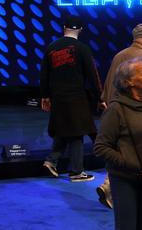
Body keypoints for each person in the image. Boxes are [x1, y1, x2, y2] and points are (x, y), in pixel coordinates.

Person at [96, 23, 142, 216]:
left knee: (124, 152)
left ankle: (110, 187)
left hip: (117, 113)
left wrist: (107, 104)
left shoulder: (120, 55)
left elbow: (109, 85)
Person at [40, 15, 102, 182]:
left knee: (65, 128)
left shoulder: (51, 48)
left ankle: (51, 161)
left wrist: (45, 96)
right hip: (76, 97)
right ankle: (76, 172)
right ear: (81, 30)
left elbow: (44, 74)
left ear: (64, 27)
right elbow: (92, 75)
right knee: (76, 132)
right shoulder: (82, 48)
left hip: (57, 97)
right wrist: (100, 96)